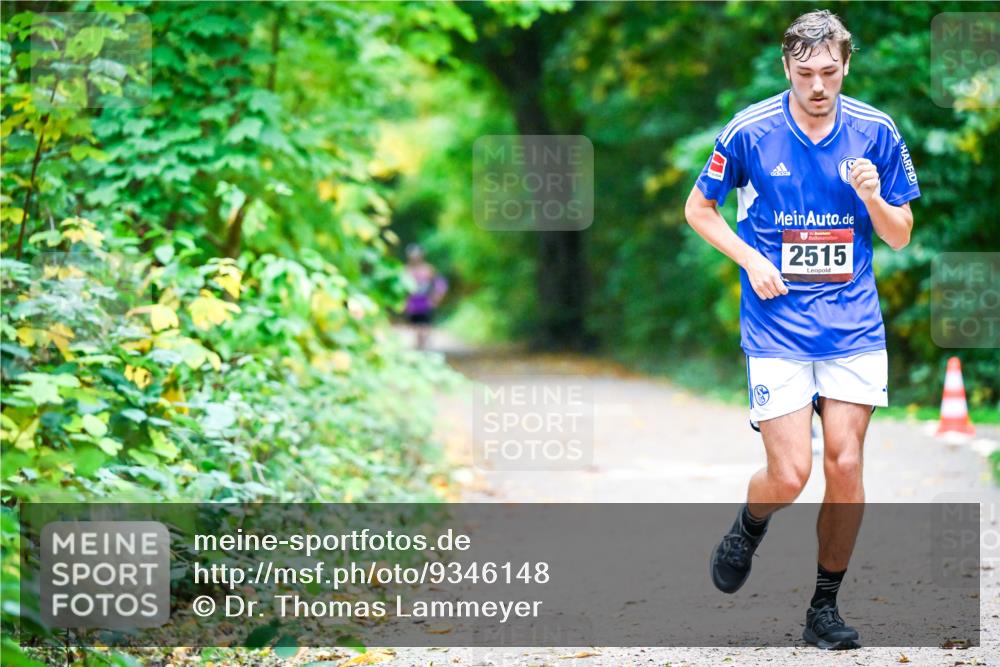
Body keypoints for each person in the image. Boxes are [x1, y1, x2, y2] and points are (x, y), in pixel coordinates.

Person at [683, 10, 920, 651]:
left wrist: (873, 198)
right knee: (790, 475)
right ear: (786, 67)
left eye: (830, 72)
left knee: (845, 465)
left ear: (846, 66)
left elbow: (900, 235)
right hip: (777, 322)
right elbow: (697, 208)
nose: (818, 85)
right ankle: (749, 525)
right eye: (805, 72)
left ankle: (824, 608)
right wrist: (752, 259)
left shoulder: (875, 132)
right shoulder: (750, 131)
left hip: (852, 324)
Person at [403, 243, 448, 350]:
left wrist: (437, 296)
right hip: (413, 303)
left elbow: (440, 283)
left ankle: (424, 347)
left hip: (426, 302)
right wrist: (404, 301)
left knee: (425, 327)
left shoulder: (428, 269)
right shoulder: (406, 270)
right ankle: (420, 347)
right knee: (416, 328)